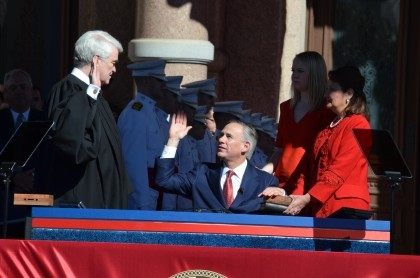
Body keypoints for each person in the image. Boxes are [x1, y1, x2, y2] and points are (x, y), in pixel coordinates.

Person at [45, 30, 131, 209]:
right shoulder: (68, 89)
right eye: (113, 63)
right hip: (81, 201)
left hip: (104, 201)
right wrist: (90, 94)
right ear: (97, 61)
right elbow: (74, 144)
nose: (114, 69)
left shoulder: (94, 93)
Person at [280, 66, 371, 217]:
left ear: (349, 93)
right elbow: (309, 166)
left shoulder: (359, 124)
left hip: (345, 207)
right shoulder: (328, 124)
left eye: (332, 89)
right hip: (318, 203)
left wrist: (307, 198)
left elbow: (340, 169)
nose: (326, 94)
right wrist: (297, 195)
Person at [155, 112, 281, 213]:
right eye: (221, 135)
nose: (221, 139)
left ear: (245, 147)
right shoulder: (202, 173)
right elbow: (164, 181)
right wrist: (173, 140)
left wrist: (282, 194)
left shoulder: (266, 181)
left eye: (229, 136)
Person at [262, 51, 335, 195]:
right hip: (280, 181)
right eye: (293, 70)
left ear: (314, 75)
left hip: (308, 182)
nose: (294, 75)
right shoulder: (286, 107)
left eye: (300, 71)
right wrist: (263, 172)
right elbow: (280, 149)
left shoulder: (326, 110)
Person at [117, 59, 169, 210]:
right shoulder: (136, 112)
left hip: (153, 193)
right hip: (143, 199)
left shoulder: (150, 112)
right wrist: (141, 203)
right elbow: (133, 163)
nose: (163, 85)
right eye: (159, 81)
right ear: (146, 81)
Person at [0, 69, 45, 235]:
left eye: (23, 87)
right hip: (5, 208)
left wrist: (34, 179)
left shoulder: (45, 119)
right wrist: (13, 179)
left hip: (38, 201)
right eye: (13, 88)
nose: (18, 91)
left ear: (31, 91)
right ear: (5, 94)